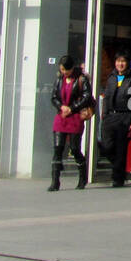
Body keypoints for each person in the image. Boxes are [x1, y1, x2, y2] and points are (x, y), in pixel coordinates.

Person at [49, 55, 92, 191]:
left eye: (66, 70)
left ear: (72, 68)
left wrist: (72, 108)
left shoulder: (81, 79)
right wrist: (61, 106)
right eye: (61, 70)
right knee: (58, 148)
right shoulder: (59, 79)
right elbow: (54, 96)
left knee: (74, 148)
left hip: (74, 116)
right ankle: (55, 181)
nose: (63, 72)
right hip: (61, 116)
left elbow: (87, 96)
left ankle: (82, 178)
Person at [99, 51, 131, 187]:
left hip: (125, 117)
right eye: (118, 61)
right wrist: (104, 116)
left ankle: (118, 178)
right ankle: (118, 169)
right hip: (110, 117)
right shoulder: (112, 77)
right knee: (106, 147)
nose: (120, 64)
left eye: (123, 61)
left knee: (120, 149)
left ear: (127, 62)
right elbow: (106, 98)